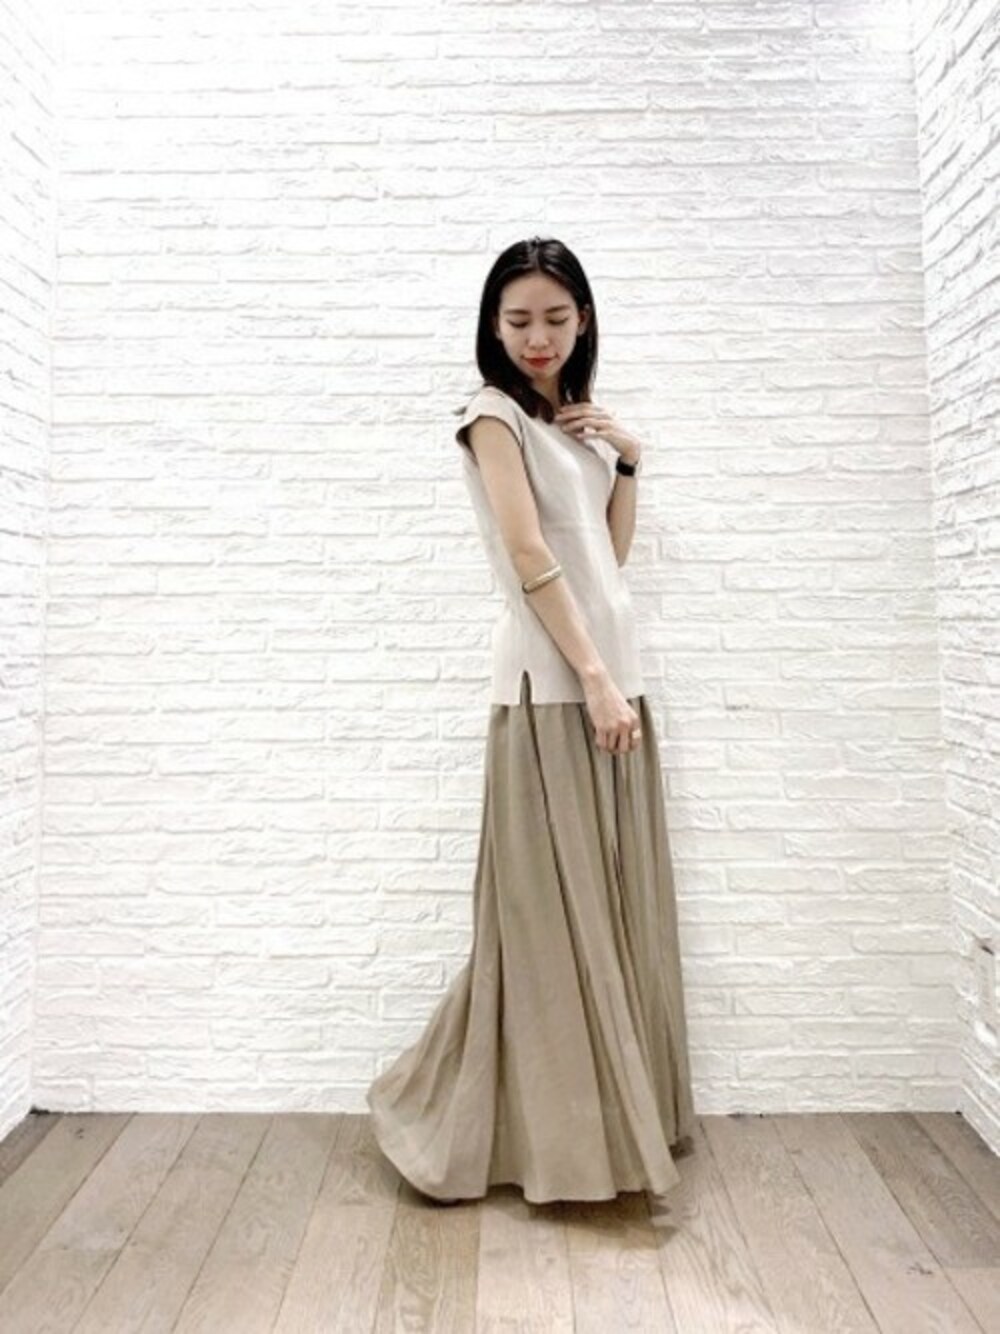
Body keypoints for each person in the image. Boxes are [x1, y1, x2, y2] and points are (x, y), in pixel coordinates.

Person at [365, 236, 696, 1208]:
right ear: (492, 326)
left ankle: (613, 1128)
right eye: (517, 321)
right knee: (548, 925)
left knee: (610, 913)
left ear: (583, 319)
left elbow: (604, 558)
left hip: (611, 682)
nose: (537, 337)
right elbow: (525, 554)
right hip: (557, 689)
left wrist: (626, 459)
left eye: (555, 318)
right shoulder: (493, 416)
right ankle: (542, 1141)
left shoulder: (571, 425)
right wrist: (591, 676)